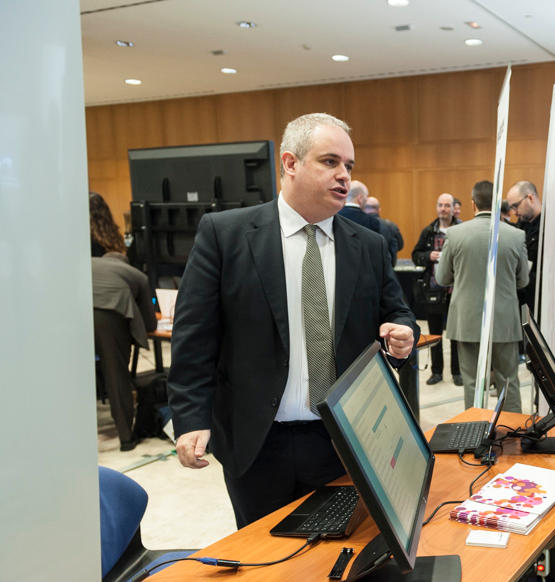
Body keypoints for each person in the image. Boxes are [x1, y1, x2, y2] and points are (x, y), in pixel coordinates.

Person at [168, 113, 417, 528]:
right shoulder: (225, 235)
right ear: (290, 163)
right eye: (330, 162)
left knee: (338, 561)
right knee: (266, 569)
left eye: (349, 166)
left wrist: (404, 331)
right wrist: (191, 418)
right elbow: (194, 336)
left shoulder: (368, 246)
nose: (344, 176)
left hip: (342, 440)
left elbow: (396, 311)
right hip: (257, 441)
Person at [435, 181, 530, 412]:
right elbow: (523, 281)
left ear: (472, 203)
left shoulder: (455, 234)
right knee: (509, 380)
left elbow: (442, 278)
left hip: (467, 319)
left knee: (471, 382)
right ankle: (513, 435)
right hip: (504, 319)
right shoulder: (516, 235)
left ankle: (475, 432)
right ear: (500, 204)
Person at [91, 192, 157, 451]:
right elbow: (149, 324)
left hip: (74, 311)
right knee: (116, 374)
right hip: (109, 316)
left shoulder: (75, 253)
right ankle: (126, 439)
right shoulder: (133, 274)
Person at [505, 180, 555, 366]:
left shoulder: (553, 230)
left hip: (544, 304)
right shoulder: (522, 227)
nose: (514, 212)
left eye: (515, 206)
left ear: (530, 198)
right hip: (526, 300)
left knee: (543, 361)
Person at [412, 193, 463, 386]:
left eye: (447, 205)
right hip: (433, 291)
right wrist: (428, 256)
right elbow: (415, 255)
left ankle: (457, 372)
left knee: (456, 335)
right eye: (440, 205)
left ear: (453, 208)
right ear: (437, 207)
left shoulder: (461, 229)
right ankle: (436, 372)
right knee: (434, 335)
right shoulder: (428, 232)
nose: (443, 209)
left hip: (457, 291)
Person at [363, 195, 404, 266]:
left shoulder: (359, 225)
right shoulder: (391, 226)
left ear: (363, 209)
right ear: (379, 210)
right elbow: (400, 245)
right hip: (388, 268)